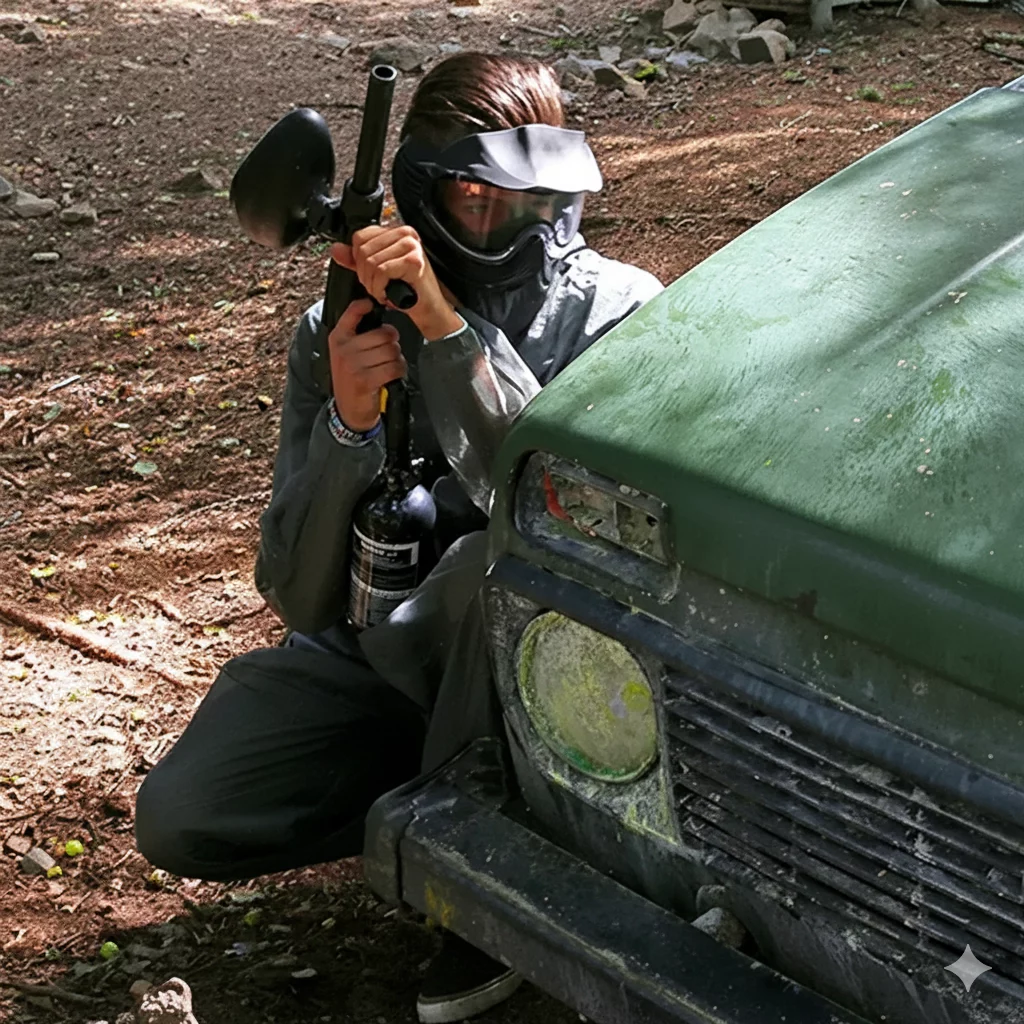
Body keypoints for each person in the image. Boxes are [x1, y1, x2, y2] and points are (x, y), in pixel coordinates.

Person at [135, 52, 663, 1023]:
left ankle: (491, 882)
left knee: (481, 569)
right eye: (477, 198)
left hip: (547, 689)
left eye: (536, 195)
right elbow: (294, 593)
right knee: (187, 812)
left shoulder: (618, 312)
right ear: (420, 194)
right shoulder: (333, 328)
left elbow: (562, 513)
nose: (516, 221)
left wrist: (450, 333)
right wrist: (347, 421)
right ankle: (419, 806)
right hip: (378, 657)